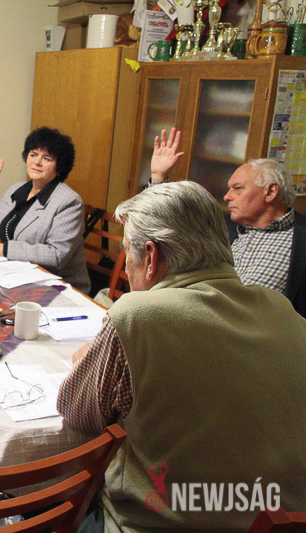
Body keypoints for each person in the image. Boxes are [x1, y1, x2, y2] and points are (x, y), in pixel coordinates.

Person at [57, 181, 306, 532]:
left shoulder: (137, 315)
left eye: (128, 254)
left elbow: (79, 415)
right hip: (276, 522)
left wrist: (87, 362)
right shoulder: (281, 309)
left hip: (161, 524)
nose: (127, 270)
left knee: (55, 505)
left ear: (151, 256)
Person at [150, 127, 306, 317]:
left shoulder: (299, 239)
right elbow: (169, 228)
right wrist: (159, 178)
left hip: (261, 332)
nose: (227, 196)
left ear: (270, 191)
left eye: (237, 188)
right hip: (205, 320)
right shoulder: (223, 229)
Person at [0, 127, 90, 293]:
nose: (37, 162)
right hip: (16, 275)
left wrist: (3, 249)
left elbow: (57, 255)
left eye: (46, 158)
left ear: (59, 167)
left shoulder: (69, 201)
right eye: (33, 155)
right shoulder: (16, 189)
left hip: (57, 286)